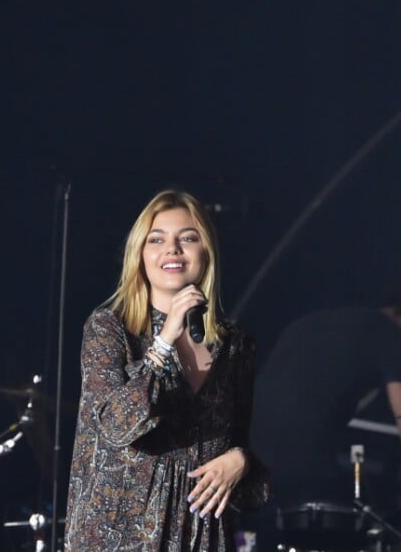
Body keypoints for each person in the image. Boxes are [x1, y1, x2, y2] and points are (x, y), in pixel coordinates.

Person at [64, 189, 270, 551]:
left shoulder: (235, 345)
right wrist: (164, 340)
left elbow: (250, 484)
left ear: (206, 252)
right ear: (141, 256)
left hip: (199, 537)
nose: (172, 249)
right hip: (122, 538)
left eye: (187, 238)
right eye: (157, 239)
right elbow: (116, 425)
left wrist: (240, 460)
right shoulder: (110, 329)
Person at [246, 293, 401, 548]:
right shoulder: (391, 338)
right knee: (355, 529)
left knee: (275, 533)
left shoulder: (324, 320)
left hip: (249, 445)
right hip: (300, 448)